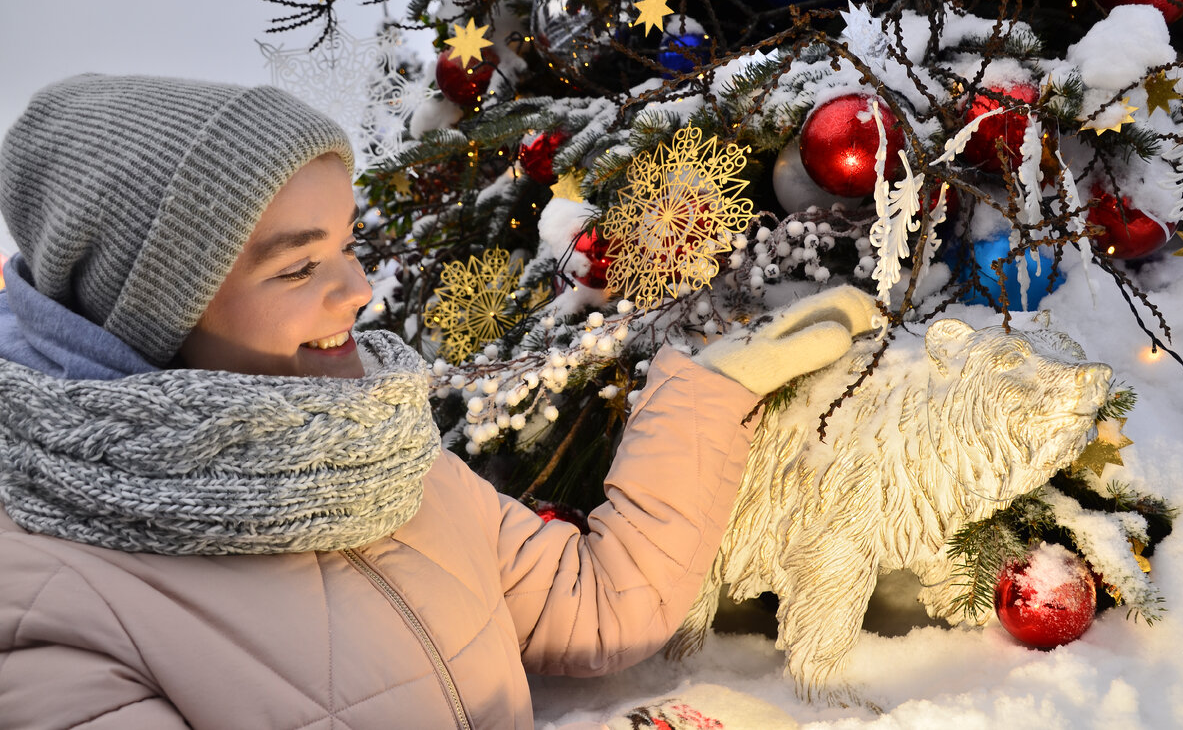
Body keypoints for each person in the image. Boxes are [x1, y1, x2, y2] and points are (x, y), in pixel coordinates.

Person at [0, 74, 878, 729]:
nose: (357, 290)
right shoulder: (48, 603)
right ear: (150, 309)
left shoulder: (379, 451)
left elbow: (596, 601)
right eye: (299, 266)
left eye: (347, 245)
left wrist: (707, 393)